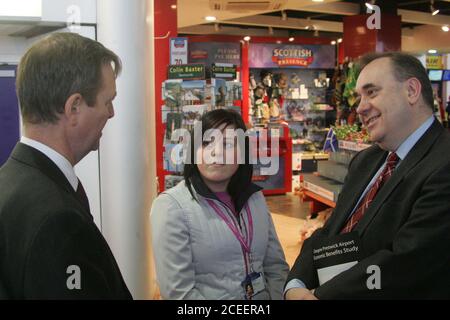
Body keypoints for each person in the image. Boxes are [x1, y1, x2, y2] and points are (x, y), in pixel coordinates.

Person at [286, 52, 450, 300]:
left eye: (372, 92)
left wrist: (320, 296)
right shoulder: (365, 161)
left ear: (412, 91)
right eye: (359, 97)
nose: (360, 107)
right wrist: (295, 284)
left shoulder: (443, 161)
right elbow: (329, 233)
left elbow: (408, 259)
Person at [0, 33, 132, 299]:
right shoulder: (58, 220)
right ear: (74, 107)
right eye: (108, 101)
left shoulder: (9, 181)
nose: (111, 113)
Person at [151, 109, 289, 300]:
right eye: (206, 143)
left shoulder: (255, 198)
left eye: (228, 144)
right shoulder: (172, 206)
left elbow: (276, 267)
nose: (216, 152)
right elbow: (179, 294)